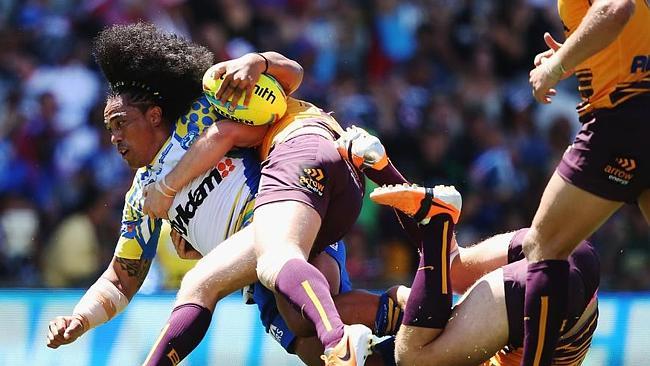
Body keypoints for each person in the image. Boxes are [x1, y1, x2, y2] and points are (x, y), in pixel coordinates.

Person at [523, 1, 649, 364]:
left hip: (622, 117)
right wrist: (578, 55)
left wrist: (557, 66)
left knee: (542, 247)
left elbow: (615, 8)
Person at [369, 184, 599, 365]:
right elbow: (435, 322)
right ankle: (436, 219)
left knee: (451, 267)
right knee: (414, 358)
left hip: (578, 256)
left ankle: (376, 164)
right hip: (558, 294)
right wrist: (401, 297)